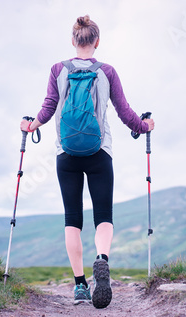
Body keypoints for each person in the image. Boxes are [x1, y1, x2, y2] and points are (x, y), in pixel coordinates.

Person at [20, 15, 155, 309]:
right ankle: (102, 260)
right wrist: (145, 126)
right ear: (96, 41)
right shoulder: (107, 71)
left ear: (73, 41)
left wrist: (31, 126)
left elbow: (48, 107)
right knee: (103, 215)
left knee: (73, 219)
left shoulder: (58, 69)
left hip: (65, 153)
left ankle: (80, 285)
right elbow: (125, 113)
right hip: (99, 151)